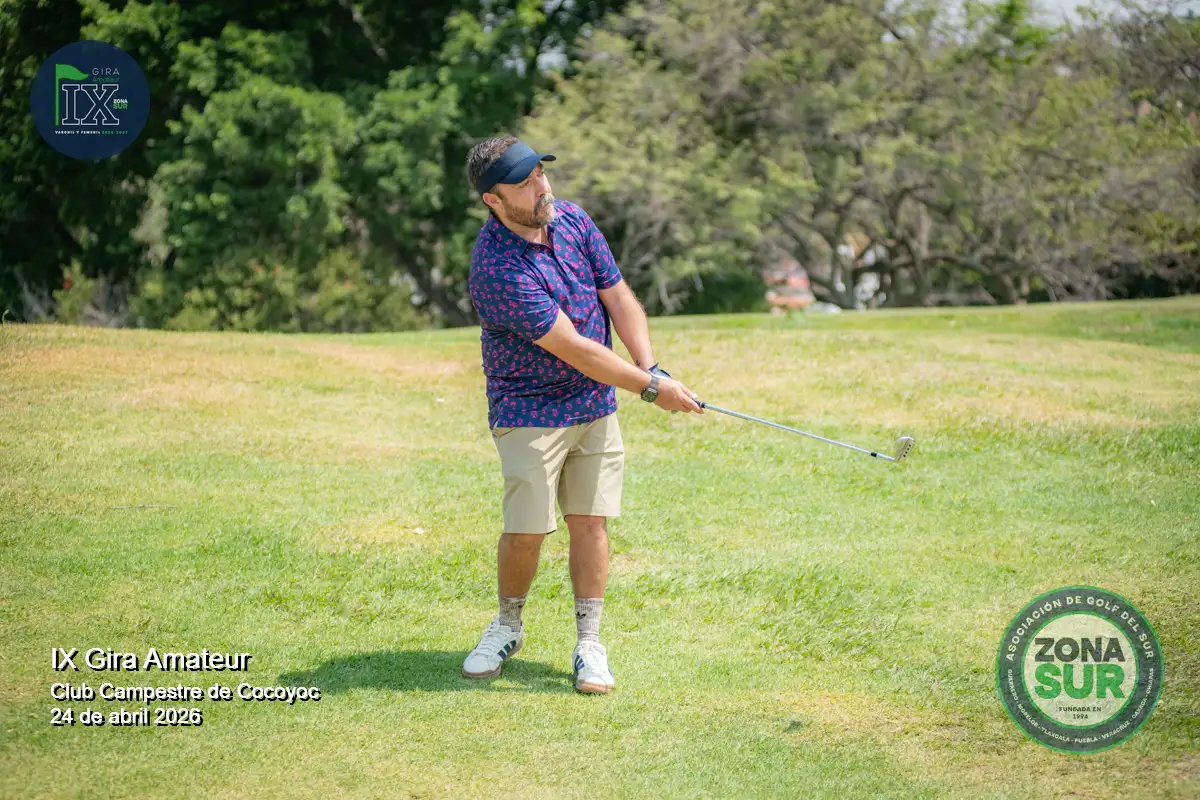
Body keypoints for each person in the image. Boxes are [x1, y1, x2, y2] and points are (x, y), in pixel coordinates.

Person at [462, 135, 704, 694]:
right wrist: (651, 389)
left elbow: (616, 295)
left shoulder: (572, 220)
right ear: (493, 200)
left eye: (541, 175)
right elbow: (574, 348)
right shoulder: (496, 266)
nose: (541, 188)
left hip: (593, 403)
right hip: (529, 408)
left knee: (591, 521)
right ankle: (507, 626)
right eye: (524, 184)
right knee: (527, 528)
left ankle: (589, 642)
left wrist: (650, 364)